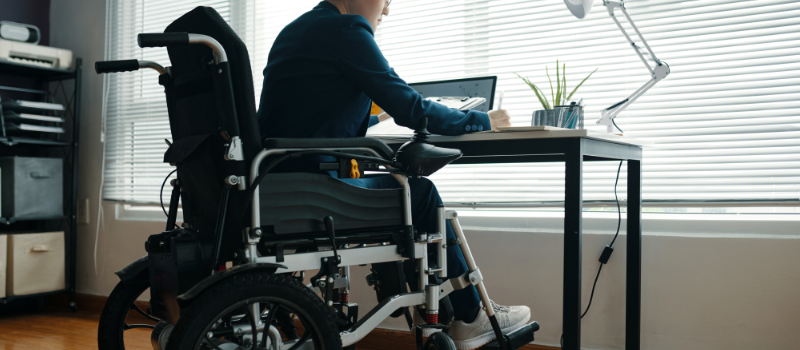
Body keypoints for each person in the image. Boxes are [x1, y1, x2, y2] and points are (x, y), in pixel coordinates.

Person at [256, 1, 531, 348]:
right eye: (385, 0)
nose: (386, 11)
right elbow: (412, 108)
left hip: (275, 184)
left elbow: (309, 117)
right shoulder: (347, 29)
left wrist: (376, 119)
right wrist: (482, 120)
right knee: (420, 192)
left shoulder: (295, 31)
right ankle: (470, 316)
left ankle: (447, 303)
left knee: (405, 190)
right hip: (318, 190)